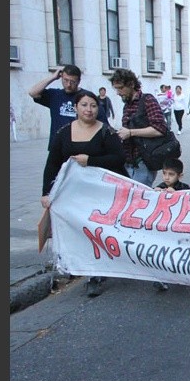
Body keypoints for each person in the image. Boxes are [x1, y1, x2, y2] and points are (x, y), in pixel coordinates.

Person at [40, 90, 129, 297]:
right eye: (84, 105)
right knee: (84, 232)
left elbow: (119, 158)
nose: (89, 109)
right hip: (76, 195)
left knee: (102, 231)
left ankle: (101, 270)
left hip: (103, 193)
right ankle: (91, 270)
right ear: (76, 108)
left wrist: (91, 160)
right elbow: (52, 164)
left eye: (93, 105)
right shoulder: (63, 133)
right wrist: (46, 192)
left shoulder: (106, 132)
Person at [111, 69, 169, 188]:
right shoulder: (127, 105)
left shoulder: (147, 100)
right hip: (129, 161)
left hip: (143, 161)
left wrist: (131, 132)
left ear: (131, 84)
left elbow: (160, 129)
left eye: (121, 88)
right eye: (116, 88)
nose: (118, 92)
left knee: (139, 197)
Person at [27, 64, 90, 149]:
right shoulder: (54, 95)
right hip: (57, 147)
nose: (68, 84)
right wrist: (53, 77)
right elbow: (32, 92)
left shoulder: (87, 97)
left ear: (79, 81)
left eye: (72, 82)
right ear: (61, 78)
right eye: (65, 80)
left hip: (79, 147)